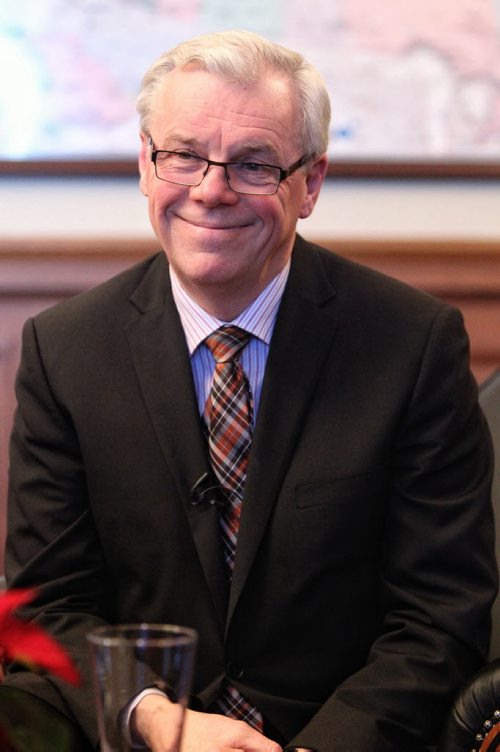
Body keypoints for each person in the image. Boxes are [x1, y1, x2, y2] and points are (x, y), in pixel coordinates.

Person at [4, 29, 497, 752]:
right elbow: (50, 606)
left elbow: (439, 616)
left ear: (311, 184)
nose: (211, 189)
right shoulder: (65, 351)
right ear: (145, 164)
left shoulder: (413, 345)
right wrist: (156, 721)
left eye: (255, 164)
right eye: (183, 155)